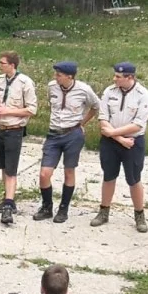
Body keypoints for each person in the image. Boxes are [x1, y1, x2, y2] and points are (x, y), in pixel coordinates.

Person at [34, 62, 99, 224]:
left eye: (59, 75)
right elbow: (52, 104)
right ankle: (47, 206)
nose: (55, 77)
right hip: (54, 134)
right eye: (55, 74)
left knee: (69, 171)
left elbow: (96, 106)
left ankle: (64, 208)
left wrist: (82, 123)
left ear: (69, 76)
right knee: (44, 174)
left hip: (72, 134)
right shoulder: (52, 87)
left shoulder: (83, 89)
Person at [94, 62, 148, 233]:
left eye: (118, 77)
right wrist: (119, 138)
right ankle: (104, 211)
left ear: (130, 78)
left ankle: (139, 215)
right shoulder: (109, 91)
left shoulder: (142, 95)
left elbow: (138, 125)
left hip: (133, 142)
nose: (115, 79)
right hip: (112, 142)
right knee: (108, 176)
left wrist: (113, 134)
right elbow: (103, 119)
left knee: (134, 179)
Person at [0, 51, 37, 224]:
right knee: (3, 166)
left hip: (14, 130)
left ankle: (9, 205)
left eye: (2, 63)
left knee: (11, 168)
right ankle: (6, 198)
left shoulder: (25, 83)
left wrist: (7, 111)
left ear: (12, 65)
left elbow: (32, 109)